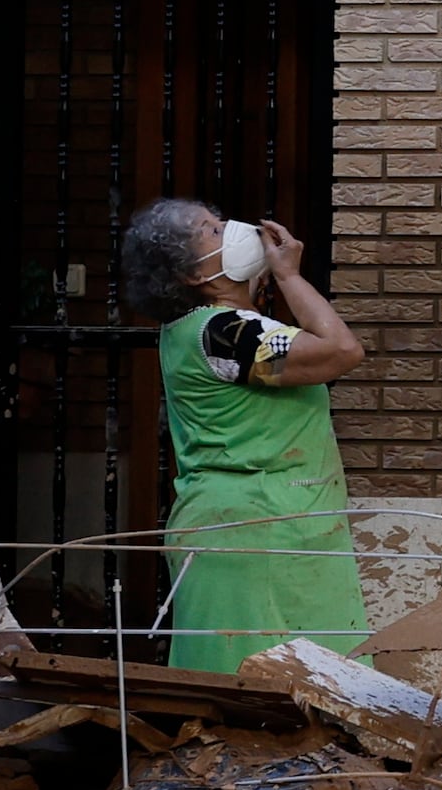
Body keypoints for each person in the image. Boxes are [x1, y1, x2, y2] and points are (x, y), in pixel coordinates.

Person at [118, 194, 370, 669]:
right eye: (211, 230)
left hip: (275, 527)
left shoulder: (217, 329)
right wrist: (289, 276)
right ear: (193, 275)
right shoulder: (224, 333)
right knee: (257, 684)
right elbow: (341, 351)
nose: (233, 228)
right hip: (254, 533)